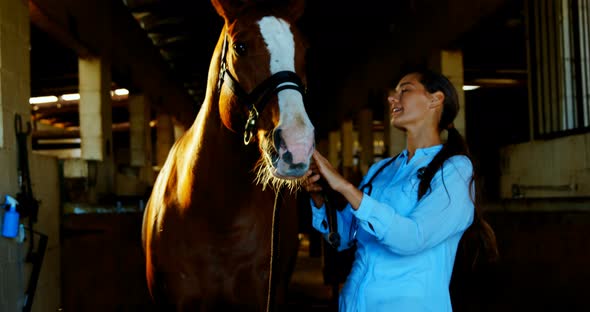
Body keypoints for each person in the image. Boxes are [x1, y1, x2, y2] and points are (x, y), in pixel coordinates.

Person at [302, 68, 498, 312]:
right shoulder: (381, 170)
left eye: (405, 90)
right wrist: (320, 198)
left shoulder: (455, 169)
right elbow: (343, 238)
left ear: (435, 100)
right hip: (354, 304)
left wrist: (344, 187)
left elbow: (412, 238)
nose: (392, 98)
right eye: (394, 92)